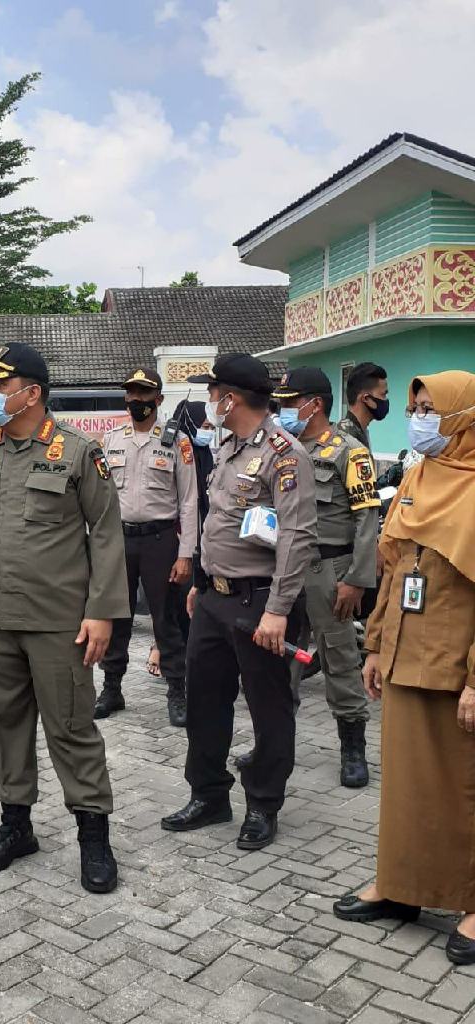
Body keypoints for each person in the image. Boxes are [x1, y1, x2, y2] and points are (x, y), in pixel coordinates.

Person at [0, 343, 129, 894]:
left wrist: (101, 612)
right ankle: (15, 824)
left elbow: (107, 533)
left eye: (2, 386)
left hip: (58, 622)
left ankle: (93, 835)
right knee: (4, 726)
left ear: (32, 393)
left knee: (71, 727)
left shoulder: (77, 452)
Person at [333, 371, 475, 968]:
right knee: (407, 787)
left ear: (464, 420)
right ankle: (402, 886)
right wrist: (374, 647)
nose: (417, 419)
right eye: (414, 407)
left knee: (463, 787)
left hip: (456, 665)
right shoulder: (419, 475)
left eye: (429, 410)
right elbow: (394, 573)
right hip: (406, 656)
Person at [160, 353, 316, 851]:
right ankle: (209, 795)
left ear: (230, 398)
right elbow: (220, 520)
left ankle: (263, 804)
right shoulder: (226, 446)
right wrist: (202, 584)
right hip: (214, 598)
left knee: (269, 709)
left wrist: (276, 610)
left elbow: (295, 536)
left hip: (260, 601)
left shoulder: (284, 454)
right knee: (205, 701)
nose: (210, 402)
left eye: (213, 393)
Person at [271, 368, 380, 788]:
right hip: (287, 568)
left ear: (313, 404)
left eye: (288, 402)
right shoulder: (283, 449)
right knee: (280, 657)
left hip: (329, 570)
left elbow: (367, 519)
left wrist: (356, 579)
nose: (283, 411)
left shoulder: (348, 452)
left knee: (338, 658)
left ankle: (352, 747)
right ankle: (276, 744)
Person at [95, 367, 198, 727]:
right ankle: (111, 688)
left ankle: (177, 690)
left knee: (166, 618)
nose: (136, 401)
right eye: (131, 394)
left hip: (161, 541)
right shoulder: (111, 440)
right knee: (116, 615)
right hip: (120, 539)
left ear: (159, 399)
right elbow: (101, 497)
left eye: (144, 394)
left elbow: (189, 501)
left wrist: (186, 553)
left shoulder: (177, 442)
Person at [338, 362, 389, 449]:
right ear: (366, 398)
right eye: (383, 394)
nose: (386, 400)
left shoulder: (360, 432)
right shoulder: (344, 440)